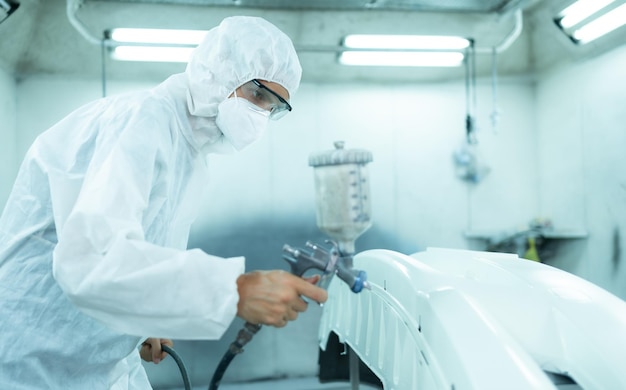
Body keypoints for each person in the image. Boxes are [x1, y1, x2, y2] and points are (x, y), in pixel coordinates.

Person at [0, 15, 327, 389]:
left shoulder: (188, 156)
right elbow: (91, 260)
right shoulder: (141, 122)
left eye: (273, 107)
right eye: (257, 95)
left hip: (95, 365)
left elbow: (137, 255)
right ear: (218, 72)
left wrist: (146, 321)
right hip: (32, 364)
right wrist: (234, 290)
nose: (261, 116)